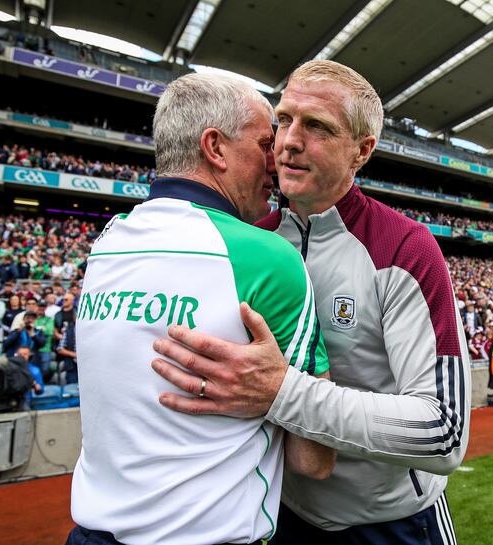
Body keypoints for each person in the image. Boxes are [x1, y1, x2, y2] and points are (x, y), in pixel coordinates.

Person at [151, 60, 470, 544]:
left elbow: (443, 432)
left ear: (362, 151)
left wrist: (282, 393)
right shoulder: (247, 241)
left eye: (317, 126)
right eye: (283, 120)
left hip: (392, 524)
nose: (287, 142)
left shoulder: (403, 247)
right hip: (281, 518)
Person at [68, 73, 333, 545]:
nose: (275, 162)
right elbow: (312, 461)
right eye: (264, 143)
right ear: (215, 147)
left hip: (91, 533)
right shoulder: (267, 256)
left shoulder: (107, 243)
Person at [34, 300, 55, 382]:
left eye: (43, 307)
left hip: (45, 348)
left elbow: (49, 331)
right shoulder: (33, 318)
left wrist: (36, 329)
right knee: (34, 369)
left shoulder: (49, 319)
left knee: (45, 369)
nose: (41, 308)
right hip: (33, 349)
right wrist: (41, 328)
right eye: (40, 307)